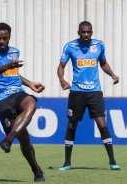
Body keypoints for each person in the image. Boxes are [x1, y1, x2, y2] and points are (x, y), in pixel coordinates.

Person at [0, 22, 46, 182]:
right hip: (1, 98)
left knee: (31, 102)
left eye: (5, 38)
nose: (1, 41)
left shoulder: (14, 51)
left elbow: (13, 74)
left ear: (9, 37)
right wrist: (7, 66)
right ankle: (36, 169)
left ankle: (8, 139)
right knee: (24, 139)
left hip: (17, 92)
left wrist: (30, 83)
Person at [57, 21, 120, 171]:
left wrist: (112, 74)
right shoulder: (70, 46)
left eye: (88, 32)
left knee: (102, 124)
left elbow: (103, 63)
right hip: (77, 92)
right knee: (72, 125)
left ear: (92, 32)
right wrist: (61, 79)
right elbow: (61, 66)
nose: (86, 35)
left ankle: (112, 162)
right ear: (78, 32)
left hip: (95, 92)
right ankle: (67, 162)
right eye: (83, 32)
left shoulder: (99, 45)